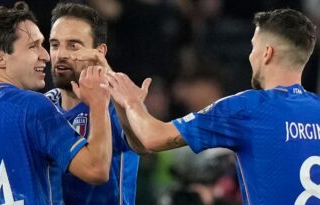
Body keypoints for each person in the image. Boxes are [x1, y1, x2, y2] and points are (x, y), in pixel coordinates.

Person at [104, 8, 320, 205]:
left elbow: (151, 138)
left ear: (267, 53)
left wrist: (131, 101)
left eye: (253, 46)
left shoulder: (248, 108)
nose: (250, 55)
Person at [0, 2, 112, 204]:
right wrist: (98, 101)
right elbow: (96, 169)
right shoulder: (32, 108)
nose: (45, 56)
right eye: (33, 46)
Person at [45, 3, 148, 204]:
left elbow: (143, 143)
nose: (61, 54)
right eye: (55, 44)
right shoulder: (43, 106)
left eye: (73, 45)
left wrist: (124, 100)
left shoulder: (116, 103)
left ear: (99, 52)